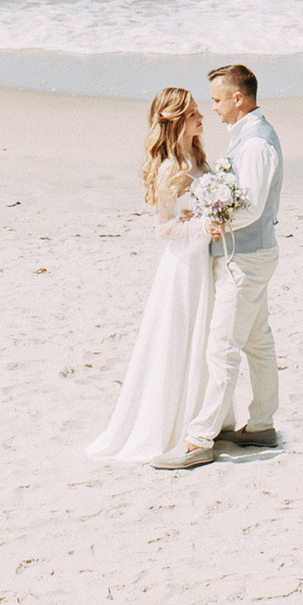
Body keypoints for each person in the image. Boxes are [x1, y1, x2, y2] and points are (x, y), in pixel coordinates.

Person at [82, 85, 220, 466]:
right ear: (174, 120)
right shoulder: (170, 168)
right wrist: (202, 226)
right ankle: (170, 425)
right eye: (193, 113)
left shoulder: (197, 154)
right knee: (177, 339)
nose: (201, 116)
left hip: (203, 260)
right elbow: (164, 229)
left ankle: (200, 417)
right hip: (182, 266)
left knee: (204, 336)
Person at [186, 61, 281, 459]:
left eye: (218, 99)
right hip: (251, 253)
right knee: (257, 341)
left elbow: (252, 207)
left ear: (238, 99)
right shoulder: (246, 136)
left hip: (247, 256)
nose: (214, 107)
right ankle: (261, 424)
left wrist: (212, 218)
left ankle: (201, 437)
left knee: (222, 345)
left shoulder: (256, 142)